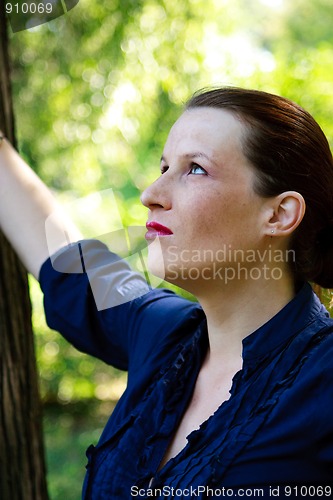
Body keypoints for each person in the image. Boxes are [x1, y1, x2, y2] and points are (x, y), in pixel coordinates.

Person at [1, 87, 333, 499]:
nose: (151, 195)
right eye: (163, 167)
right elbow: (71, 265)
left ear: (279, 214)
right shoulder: (163, 334)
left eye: (195, 169)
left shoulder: (322, 378)